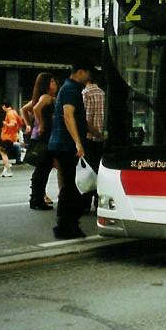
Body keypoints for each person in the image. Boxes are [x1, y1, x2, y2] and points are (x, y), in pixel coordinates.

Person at [48, 62, 93, 239]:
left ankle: (67, 224)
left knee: (70, 186)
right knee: (71, 187)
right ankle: (66, 225)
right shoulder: (70, 89)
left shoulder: (71, 88)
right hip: (66, 145)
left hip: (64, 144)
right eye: (87, 73)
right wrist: (78, 143)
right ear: (80, 71)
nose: (89, 77)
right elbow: (68, 116)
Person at [21, 73, 58, 210]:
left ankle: (36, 198)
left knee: (41, 169)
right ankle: (37, 199)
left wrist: (29, 125)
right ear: (46, 85)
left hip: (40, 136)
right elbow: (35, 109)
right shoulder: (46, 97)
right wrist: (41, 123)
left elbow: (24, 109)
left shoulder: (40, 97)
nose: (55, 84)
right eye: (52, 81)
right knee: (43, 168)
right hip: (45, 136)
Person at [82, 72, 105, 212]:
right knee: (100, 171)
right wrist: (102, 135)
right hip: (101, 140)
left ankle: (85, 204)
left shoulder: (86, 93)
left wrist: (95, 133)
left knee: (88, 172)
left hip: (90, 138)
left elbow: (86, 120)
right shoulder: (103, 93)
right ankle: (99, 202)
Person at [0, 102, 22, 177]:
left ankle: (8, 169)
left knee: (2, 150)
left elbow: (13, 123)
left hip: (8, 137)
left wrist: (7, 125)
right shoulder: (14, 112)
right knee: (0, 149)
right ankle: (6, 168)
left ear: (4, 106)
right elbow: (20, 123)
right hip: (11, 136)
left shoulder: (10, 113)